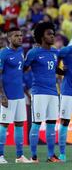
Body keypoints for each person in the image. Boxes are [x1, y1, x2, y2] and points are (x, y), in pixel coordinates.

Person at [24, 22, 60, 163]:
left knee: (51, 124)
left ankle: (51, 155)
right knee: (37, 123)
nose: (52, 36)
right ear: (41, 36)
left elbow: (54, 69)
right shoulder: (33, 52)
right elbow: (23, 69)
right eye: (49, 34)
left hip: (53, 92)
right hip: (39, 92)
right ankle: (34, 156)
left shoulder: (55, 52)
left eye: (53, 33)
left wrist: (64, 72)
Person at [0, 28, 31, 163]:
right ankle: (0, 156)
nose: (20, 38)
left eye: (21, 35)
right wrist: (2, 95)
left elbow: (20, 71)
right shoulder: (3, 53)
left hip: (19, 95)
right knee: (4, 124)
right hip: (8, 95)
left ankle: (19, 156)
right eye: (16, 36)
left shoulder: (20, 52)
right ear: (9, 38)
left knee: (19, 124)